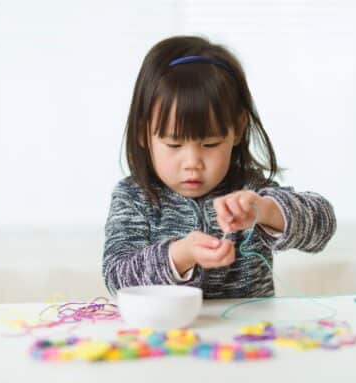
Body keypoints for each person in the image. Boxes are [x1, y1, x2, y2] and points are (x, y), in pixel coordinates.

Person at [102, 36, 336, 298]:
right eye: (174, 145)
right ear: (144, 134)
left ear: (237, 130)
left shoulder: (250, 190)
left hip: (249, 334)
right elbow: (116, 277)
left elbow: (323, 226)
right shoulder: (134, 197)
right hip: (165, 337)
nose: (192, 163)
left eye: (210, 144)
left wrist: (266, 210)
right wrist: (182, 254)